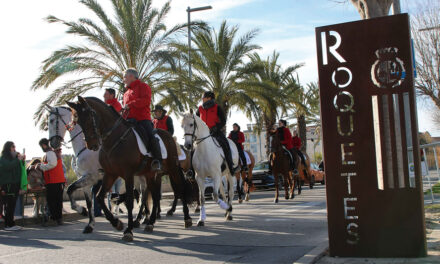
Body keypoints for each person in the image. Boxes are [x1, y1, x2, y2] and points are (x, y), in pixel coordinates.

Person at [123, 68, 162, 171]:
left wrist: (130, 105)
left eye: (125, 77)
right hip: (128, 121)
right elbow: (126, 109)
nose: (124, 79)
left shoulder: (143, 86)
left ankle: (157, 160)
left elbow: (145, 101)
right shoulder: (126, 93)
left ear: (131, 76)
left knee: (150, 136)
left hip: (142, 120)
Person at [196, 91, 235, 176]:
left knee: (225, 144)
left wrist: (216, 127)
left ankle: (230, 166)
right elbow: (195, 120)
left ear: (209, 98)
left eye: (204, 97)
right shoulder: (199, 109)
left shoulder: (217, 107)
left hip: (215, 132)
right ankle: (192, 170)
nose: (202, 99)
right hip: (202, 134)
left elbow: (223, 121)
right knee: (193, 146)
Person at [34, 138, 66, 225]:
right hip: (58, 180)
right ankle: (58, 219)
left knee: (52, 200)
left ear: (43, 145)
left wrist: (41, 166)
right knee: (57, 200)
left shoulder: (50, 153)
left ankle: (54, 218)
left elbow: (52, 164)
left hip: (53, 180)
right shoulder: (53, 152)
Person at [0, 141, 26, 231]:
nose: (14, 148)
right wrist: (17, 160)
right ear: (8, 148)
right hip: (8, 184)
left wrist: (22, 160)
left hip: (15, 184)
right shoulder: (3, 158)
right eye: (12, 147)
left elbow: (20, 169)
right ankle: (8, 224)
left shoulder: (14, 158)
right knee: (9, 205)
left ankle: (11, 223)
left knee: (12, 204)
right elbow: (8, 166)